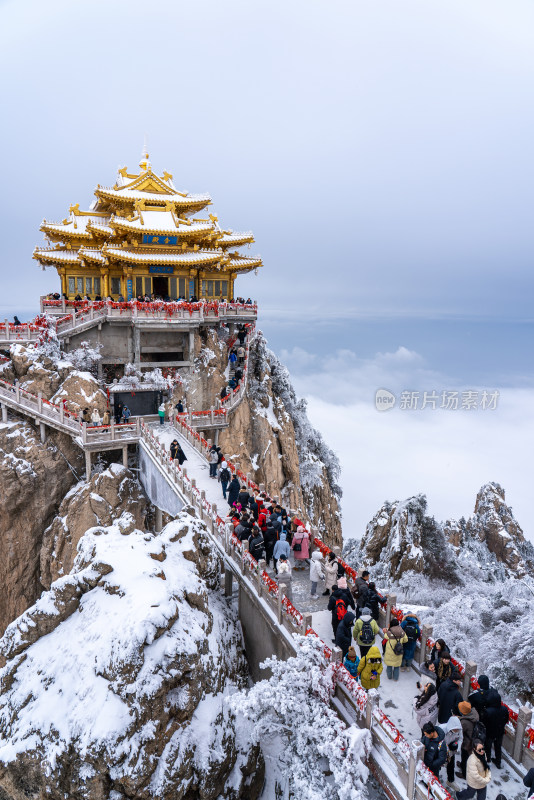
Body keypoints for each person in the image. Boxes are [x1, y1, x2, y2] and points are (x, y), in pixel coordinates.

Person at [483, 688, 508, 769]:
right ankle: (498, 761)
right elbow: (506, 720)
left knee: (488, 747)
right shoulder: (504, 709)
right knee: (498, 747)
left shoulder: (488, 711)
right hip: (500, 732)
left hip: (490, 733)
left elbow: (484, 723)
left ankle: (488, 760)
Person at [457, 701, 480, 780]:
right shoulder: (474, 713)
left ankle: (464, 774)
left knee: (465, 757)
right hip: (472, 740)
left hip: (467, 743)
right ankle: (462, 765)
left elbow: (459, 732)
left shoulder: (464, 722)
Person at [441, 709, 464, 787]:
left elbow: (461, 738)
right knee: (439, 764)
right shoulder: (442, 729)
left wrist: (457, 748)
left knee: (451, 765)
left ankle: (450, 780)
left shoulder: (459, 730)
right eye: (455, 729)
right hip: (442, 748)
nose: (457, 730)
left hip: (451, 749)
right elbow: (439, 742)